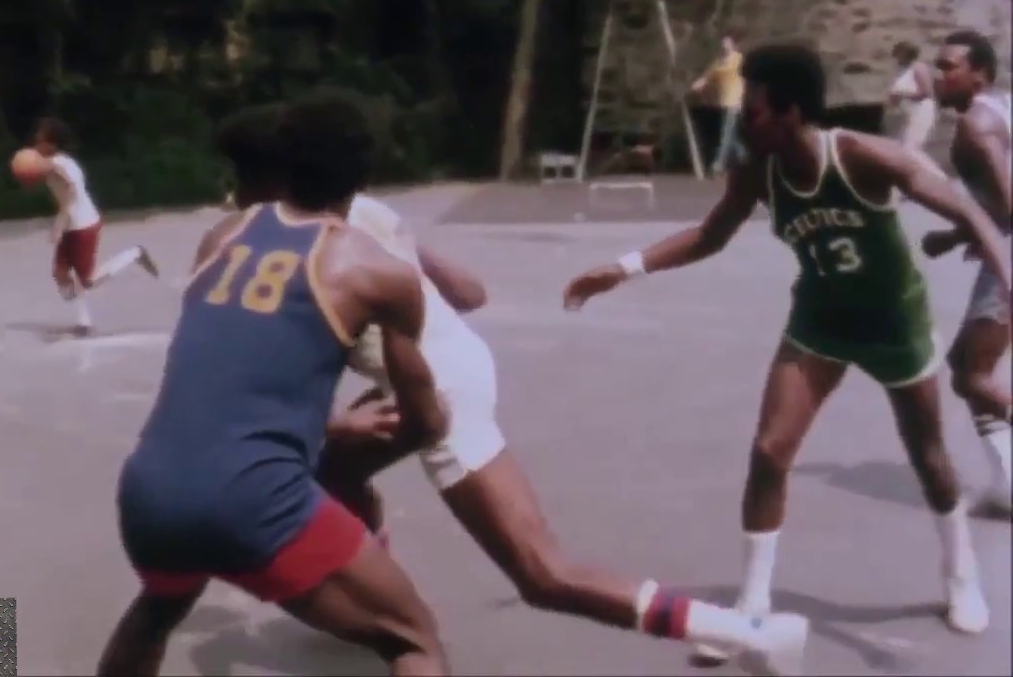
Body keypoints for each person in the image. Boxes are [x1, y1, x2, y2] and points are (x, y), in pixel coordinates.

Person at [213, 95, 813, 676]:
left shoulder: (305, 250)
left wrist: (330, 418)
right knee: (336, 469)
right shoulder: (365, 210)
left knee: (542, 574)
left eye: (242, 179)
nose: (233, 196)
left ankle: (749, 635)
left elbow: (286, 383)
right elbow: (466, 292)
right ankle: (377, 588)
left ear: (279, 180)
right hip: (448, 361)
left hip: (438, 389)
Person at [563, 44, 1012, 660]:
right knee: (770, 452)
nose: (742, 123)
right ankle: (751, 611)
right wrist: (622, 268)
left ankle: (960, 573)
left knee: (928, 454)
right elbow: (710, 235)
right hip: (820, 320)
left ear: (791, 112)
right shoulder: (758, 170)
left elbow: (964, 207)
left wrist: (1006, 276)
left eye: (752, 112)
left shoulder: (860, 156)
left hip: (893, 323)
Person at [96, 91, 453, 677]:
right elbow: (424, 418)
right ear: (364, 179)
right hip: (255, 501)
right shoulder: (380, 273)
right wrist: (399, 431)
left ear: (281, 166)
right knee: (413, 640)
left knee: (159, 609)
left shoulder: (222, 236)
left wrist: (329, 427)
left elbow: (231, 371)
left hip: (149, 491)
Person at [922, 30, 1012, 516]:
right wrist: (957, 236)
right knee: (965, 366)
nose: (939, 75)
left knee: (973, 375)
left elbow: (1009, 204)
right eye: (937, 65)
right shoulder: (1000, 108)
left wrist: (959, 234)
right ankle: (1008, 485)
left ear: (979, 74)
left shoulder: (976, 127)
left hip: (1008, 256)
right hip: (1002, 248)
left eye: (949, 67)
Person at [21, 117, 159, 337]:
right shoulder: (58, 162)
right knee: (61, 275)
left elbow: (71, 190)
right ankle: (83, 321)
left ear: (52, 144)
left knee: (87, 280)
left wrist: (59, 222)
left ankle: (135, 254)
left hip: (82, 225)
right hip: (72, 226)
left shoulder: (57, 164)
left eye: (41, 137)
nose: (36, 139)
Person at [692, 34, 746, 175]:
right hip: (724, 102)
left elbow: (745, 78)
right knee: (733, 138)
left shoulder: (739, 59)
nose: (724, 46)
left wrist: (742, 99)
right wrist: (698, 84)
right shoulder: (719, 62)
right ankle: (747, 160)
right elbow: (707, 77)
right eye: (723, 43)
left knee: (726, 134)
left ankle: (718, 165)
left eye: (727, 43)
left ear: (733, 45)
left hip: (735, 101)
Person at [887, 41, 938, 152]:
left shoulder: (918, 68)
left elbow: (926, 92)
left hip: (920, 111)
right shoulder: (903, 69)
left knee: (911, 145)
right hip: (907, 114)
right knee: (902, 143)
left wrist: (902, 95)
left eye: (898, 55)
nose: (896, 58)